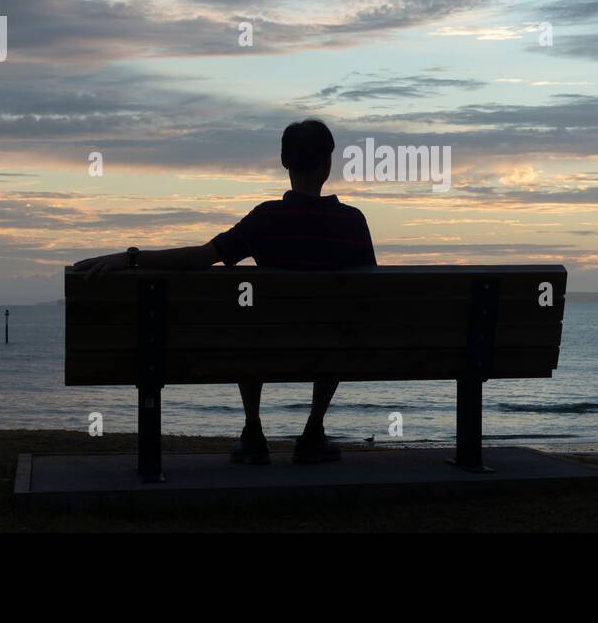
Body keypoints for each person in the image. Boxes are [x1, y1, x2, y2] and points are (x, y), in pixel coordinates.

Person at [73, 119, 376, 465]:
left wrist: (131, 258)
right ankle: (314, 429)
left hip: (264, 344)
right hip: (332, 347)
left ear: (284, 163)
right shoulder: (352, 222)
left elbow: (203, 257)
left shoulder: (266, 219)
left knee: (247, 324)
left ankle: (253, 430)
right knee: (335, 325)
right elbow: (367, 295)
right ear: (328, 164)